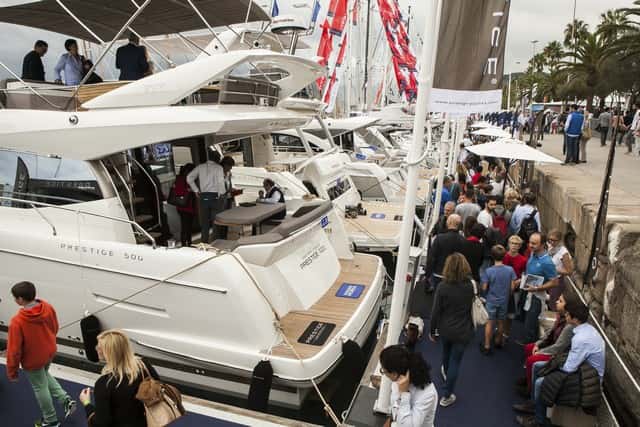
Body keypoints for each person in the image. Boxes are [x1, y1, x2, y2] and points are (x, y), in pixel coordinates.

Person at [514, 299, 605, 427]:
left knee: (540, 382)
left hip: (587, 379)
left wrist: (553, 365)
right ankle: (534, 405)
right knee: (537, 366)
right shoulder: (587, 330)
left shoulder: (580, 338)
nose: (565, 315)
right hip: (582, 369)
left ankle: (538, 421)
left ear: (575, 319)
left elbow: (569, 368)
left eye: (567, 314)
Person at [6, 281, 76, 427]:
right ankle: (65, 400)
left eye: (15, 298)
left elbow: (14, 350)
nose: (14, 300)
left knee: (40, 387)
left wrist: (12, 372)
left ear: (20, 299)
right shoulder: (48, 307)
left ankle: (50, 421)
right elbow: (55, 327)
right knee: (44, 375)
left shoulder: (17, 322)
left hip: (33, 360)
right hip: (49, 351)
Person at [79, 330, 160, 427]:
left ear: (109, 353)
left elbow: (101, 423)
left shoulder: (104, 384)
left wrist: (87, 403)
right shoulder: (143, 365)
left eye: (100, 347)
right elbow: (158, 385)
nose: (96, 348)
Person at [429, 253, 474, 407]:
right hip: (463, 330)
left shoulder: (443, 287)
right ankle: (447, 395)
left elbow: (435, 311)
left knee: (446, 353)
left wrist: (432, 330)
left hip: (445, 329)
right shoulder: (470, 286)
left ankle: (446, 373)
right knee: (456, 360)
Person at [515, 293, 575, 397]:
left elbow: (558, 347)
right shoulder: (560, 317)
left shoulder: (569, 326)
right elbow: (549, 333)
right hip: (550, 345)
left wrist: (540, 352)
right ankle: (529, 378)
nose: (556, 302)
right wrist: (538, 344)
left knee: (531, 360)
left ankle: (530, 390)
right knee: (529, 348)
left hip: (557, 354)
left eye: (560, 301)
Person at [379, 345, 437, 426]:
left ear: (394, 374)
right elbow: (395, 404)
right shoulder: (397, 381)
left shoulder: (428, 394)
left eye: (383, 371)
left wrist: (404, 394)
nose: (384, 374)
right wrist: (390, 420)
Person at [522, 233, 559, 343]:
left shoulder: (547, 262)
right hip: (528, 292)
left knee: (531, 324)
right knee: (526, 321)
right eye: (530, 242)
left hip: (537, 297)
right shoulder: (533, 254)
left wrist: (538, 288)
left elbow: (555, 282)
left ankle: (530, 346)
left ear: (542, 245)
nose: (530, 245)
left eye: (534, 243)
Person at [480, 245, 517, 354]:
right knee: (501, 322)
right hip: (504, 301)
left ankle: (487, 346)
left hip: (491, 300)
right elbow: (512, 287)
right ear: (504, 255)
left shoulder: (488, 271)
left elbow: (484, 287)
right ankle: (498, 341)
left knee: (489, 323)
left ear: (492, 256)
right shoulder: (510, 270)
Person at [187, 148, 225, 244]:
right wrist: (222, 194)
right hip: (215, 197)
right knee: (216, 222)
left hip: (203, 197)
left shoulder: (200, 167)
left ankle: (204, 243)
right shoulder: (219, 168)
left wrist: (196, 190)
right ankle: (216, 243)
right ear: (217, 159)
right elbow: (221, 182)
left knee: (205, 223)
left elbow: (189, 178)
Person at [424, 214, 465, 292]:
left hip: (439, 274)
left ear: (448, 223)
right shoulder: (463, 240)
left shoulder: (440, 238)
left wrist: (427, 273)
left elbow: (432, 257)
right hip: (455, 276)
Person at [547, 229, 574, 310]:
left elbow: (569, 271)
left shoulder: (564, 253)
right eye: (550, 240)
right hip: (547, 279)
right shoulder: (550, 247)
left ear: (559, 240)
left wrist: (554, 269)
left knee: (553, 305)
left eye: (554, 240)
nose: (551, 242)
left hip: (557, 282)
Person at [171, 163, 196, 247]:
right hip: (185, 207)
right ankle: (185, 244)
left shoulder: (182, 179)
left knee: (187, 226)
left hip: (187, 207)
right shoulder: (182, 179)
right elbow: (180, 192)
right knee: (185, 226)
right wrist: (189, 190)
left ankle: (188, 243)